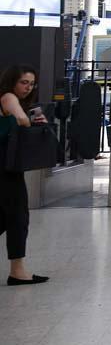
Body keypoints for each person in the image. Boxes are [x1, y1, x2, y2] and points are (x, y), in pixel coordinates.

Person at [0, 65, 50, 285]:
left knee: (12, 217)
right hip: (4, 170)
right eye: (24, 82)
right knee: (17, 216)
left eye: (31, 84)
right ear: (12, 81)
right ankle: (17, 271)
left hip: (9, 168)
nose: (28, 88)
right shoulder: (8, 97)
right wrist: (30, 122)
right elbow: (21, 120)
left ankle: (18, 270)